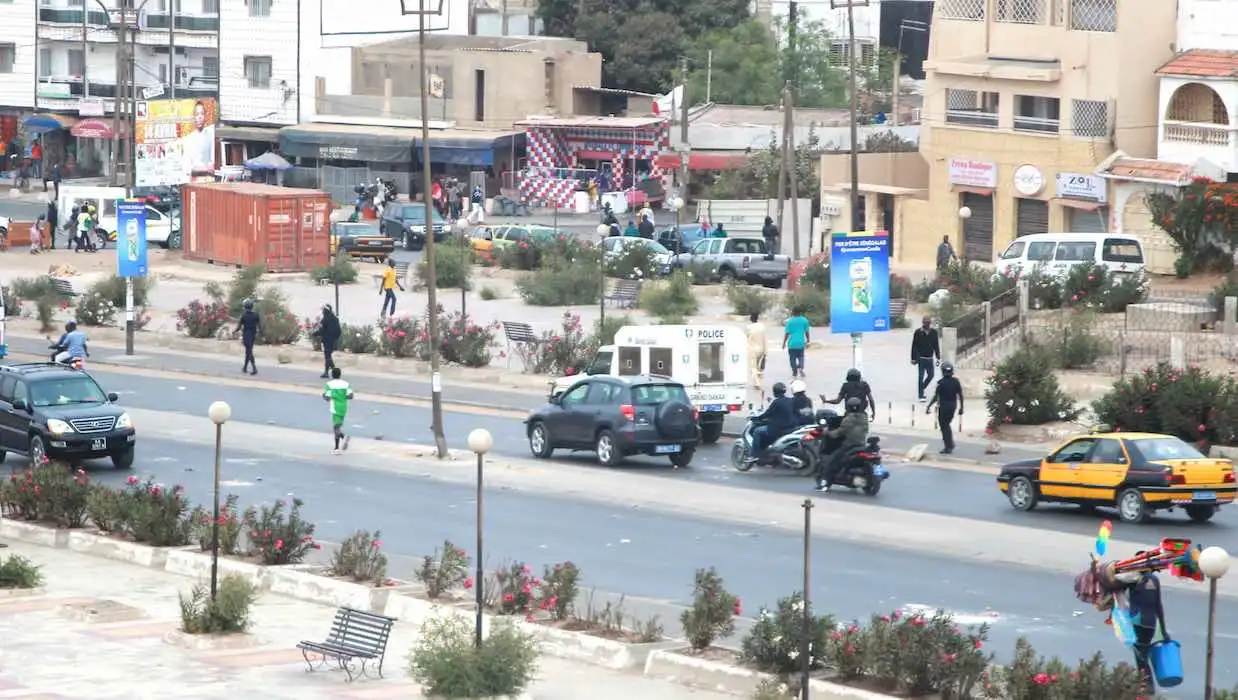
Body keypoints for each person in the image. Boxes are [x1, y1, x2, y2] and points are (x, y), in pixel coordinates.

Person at [1127, 565, 1169, 694]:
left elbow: (1115, 584)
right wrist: (1163, 630)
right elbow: (1159, 606)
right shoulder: (1155, 580)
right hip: (1151, 624)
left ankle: (1146, 685)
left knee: (1140, 655)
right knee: (1143, 653)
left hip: (1138, 622)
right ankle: (1145, 684)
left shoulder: (1134, 580)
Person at [816, 397, 869, 492]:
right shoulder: (864, 418)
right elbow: (865, 431)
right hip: (861, 445)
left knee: (832, 463)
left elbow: (837, 434)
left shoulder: (847, 419)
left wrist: (827, 432)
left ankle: (825, 483)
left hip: (849, 446)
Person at [748, 382, 797, 461]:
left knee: (757, 431)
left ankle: (754, 454)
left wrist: (757, 418)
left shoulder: (776, 402)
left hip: (777, 428)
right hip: (790, 426)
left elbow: (767, 414)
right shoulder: (790, 400)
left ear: (775, 392)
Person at [926, 362, 964, 454]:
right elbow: (960, 395)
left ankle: (949, 445)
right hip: (953, 405)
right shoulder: (956, 381)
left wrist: (929, 406)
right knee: (946, 425)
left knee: (944, 426)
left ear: (942, 371)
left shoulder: (940, 383)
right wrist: (961, 407)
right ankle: (949, 444)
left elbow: (936, 397)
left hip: (944, 406)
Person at [323, 367, 354, 454]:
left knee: (336, 427)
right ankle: (342, 438)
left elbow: (327, 397)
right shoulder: (346, 384)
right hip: (344, 407)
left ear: (332, 375)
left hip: (335, 407)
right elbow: (351, 396)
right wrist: (342, 397)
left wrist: (325, 396)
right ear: (340, 374)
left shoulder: (329, 384)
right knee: (338, 426)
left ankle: (337, 447)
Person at [181, 100, 216, 175]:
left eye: (202, 114)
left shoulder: (211, 132)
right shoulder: (188, 139)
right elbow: (186, 167)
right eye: (197, 114)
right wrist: (206, 169)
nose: (200, 117)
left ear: (205, 116)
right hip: (195, 180)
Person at [910, 316, 941, 402]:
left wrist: (938, 357)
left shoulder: (934, 332)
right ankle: (921, 395)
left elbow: (936, 345)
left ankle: (922, 388)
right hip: (921, 358)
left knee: (931, 375)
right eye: (926, 322)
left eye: (929, 322)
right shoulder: (918, 332)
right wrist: (913, 358)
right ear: (923, 323)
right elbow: (914, 346)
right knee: (920, 377)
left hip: (930, 358)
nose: (927, 324)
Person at [313, 304, 342, 378]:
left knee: (327, 356)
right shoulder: (335, 319)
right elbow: (339, 330)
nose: (322, 311)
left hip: (327, 340)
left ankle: (331, 371)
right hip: (333, 340)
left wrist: (315, 334)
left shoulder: (325, 319)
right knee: (328, 356)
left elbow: (322, 330)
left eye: (323, 310)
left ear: (325, 311)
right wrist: (335, 338)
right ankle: (330, 372)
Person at [782, 308, 810, 378]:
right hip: (801, 343)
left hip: (792, 343)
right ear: (800, 313)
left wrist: (784, 343)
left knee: (792, 358)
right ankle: (801, 368)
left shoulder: (790, 321)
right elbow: (807, 332)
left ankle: (794, 372)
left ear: (793, 313)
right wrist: (808, 340)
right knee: (801, 357)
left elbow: (787, 333)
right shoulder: (805, 320)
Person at [746, 311, 767, 402]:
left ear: (751, 318)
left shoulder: (748, 328)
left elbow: (746, 339)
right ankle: (758, 381)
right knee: (759, 367)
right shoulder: (762, 327)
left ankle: (757, 384)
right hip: (761, 349)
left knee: (753, 368)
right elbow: (764, 340)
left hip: (752, 350)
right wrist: (765, 352)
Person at [237, 299, 261, 375]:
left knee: (249, 352)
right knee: (248, 351)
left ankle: (254, 369)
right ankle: (245, 368)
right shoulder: (256, 315)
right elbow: (259, 326)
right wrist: (261, 334)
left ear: (245, 307)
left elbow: (239, 327)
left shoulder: (243, 315)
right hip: (253, 335)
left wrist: (234, 331)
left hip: (246, 335)